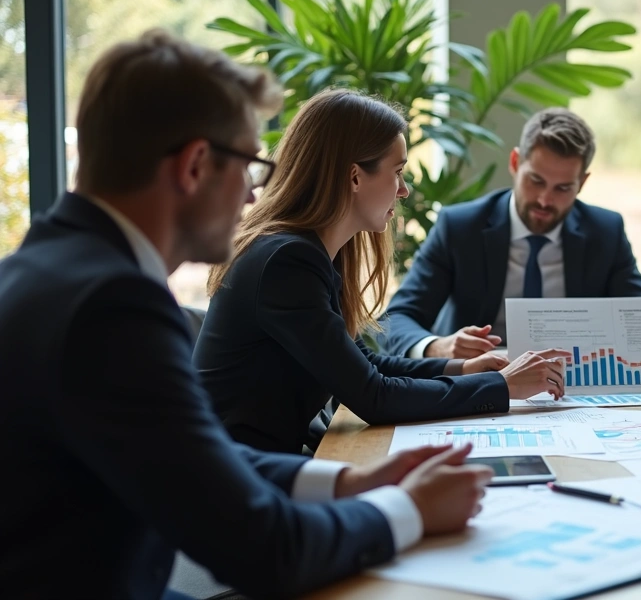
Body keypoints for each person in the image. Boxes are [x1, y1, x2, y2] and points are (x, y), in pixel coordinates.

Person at [0, 29, 493, 599]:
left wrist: (350, 479)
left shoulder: (50, 268)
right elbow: (266, 548)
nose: (254, 196)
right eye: (250, 164)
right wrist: (406, 510)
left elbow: (193, 457)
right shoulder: (111, 307)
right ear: (194, 166)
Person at [195, 89, 568, 455]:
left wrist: (464, 367)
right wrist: (500, 385)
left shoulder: (309, 252)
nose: (404, 190)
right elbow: (373, 396)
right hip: (238, 481)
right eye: (398, 172)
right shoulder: (287, 262)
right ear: (355, 177)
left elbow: (366, 365)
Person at [380, 107, 641, 358]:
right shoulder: (461, 228)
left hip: (572, 386)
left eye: (563, 188)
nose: (545, 200)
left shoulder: (605, 232)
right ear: (515, 162)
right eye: (536, 180)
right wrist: (439, 346)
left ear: (582, 183)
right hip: (478, 383)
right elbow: (398, 319)